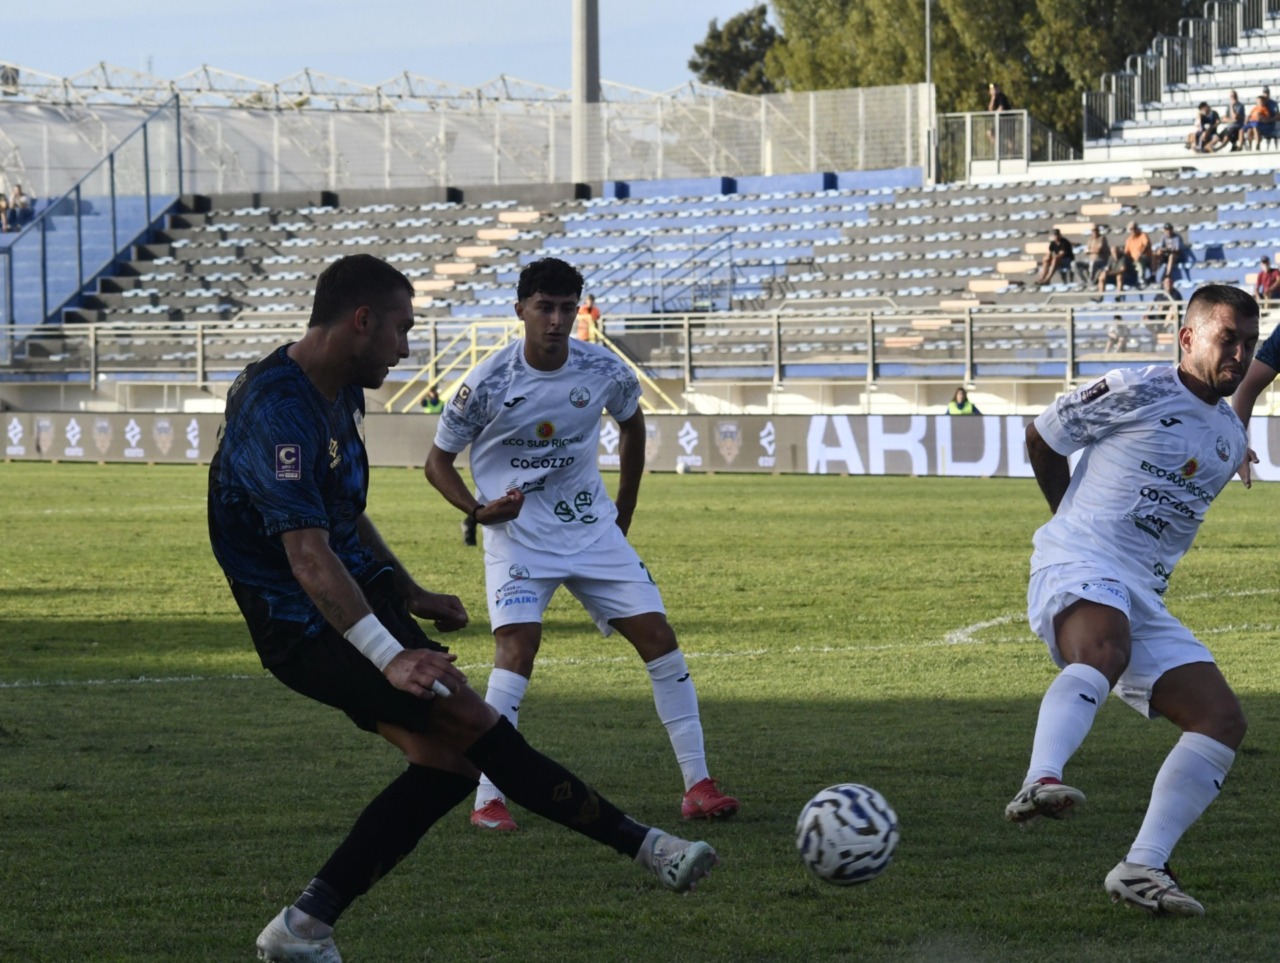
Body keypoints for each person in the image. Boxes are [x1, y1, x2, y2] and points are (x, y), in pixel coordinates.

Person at [208, 254, 719, 963]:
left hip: (355, 603)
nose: (407, 347)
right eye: (400, 329)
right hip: (303, 621)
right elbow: (307, 557)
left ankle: (306, 924)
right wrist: (392, 656)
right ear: (361, 322)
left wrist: (408, 590)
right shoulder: (280, 409)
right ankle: (650, 847)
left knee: (447, 763)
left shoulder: (334, 391)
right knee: (473, 724)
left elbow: (342, 518)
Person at [424, 256, 739, 833]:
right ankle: (488, 799)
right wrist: (476, 509)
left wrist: (625, 510)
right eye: (545, 307)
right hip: (518, 535)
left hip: (590, 526)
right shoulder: (487, 382)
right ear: (520, 310)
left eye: (568, 308)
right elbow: (436, 462)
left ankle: (698, 786)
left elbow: (633, 424)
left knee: (660, 640)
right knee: (518, 650)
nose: (556, 320)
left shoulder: (605, 370)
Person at [1006, 284, 1259, 917]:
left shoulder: (1229, 437)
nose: (1240, 354)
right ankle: (1039, 779)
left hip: (1140, 591)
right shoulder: (1137, 387)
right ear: (1188, 337)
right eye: (1229, 339)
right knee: (1104, 648)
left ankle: (1143, 867)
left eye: (1249, 344)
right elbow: (1042, 437)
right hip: (1080, 559)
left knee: (1221, 720)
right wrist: (1066, 519)